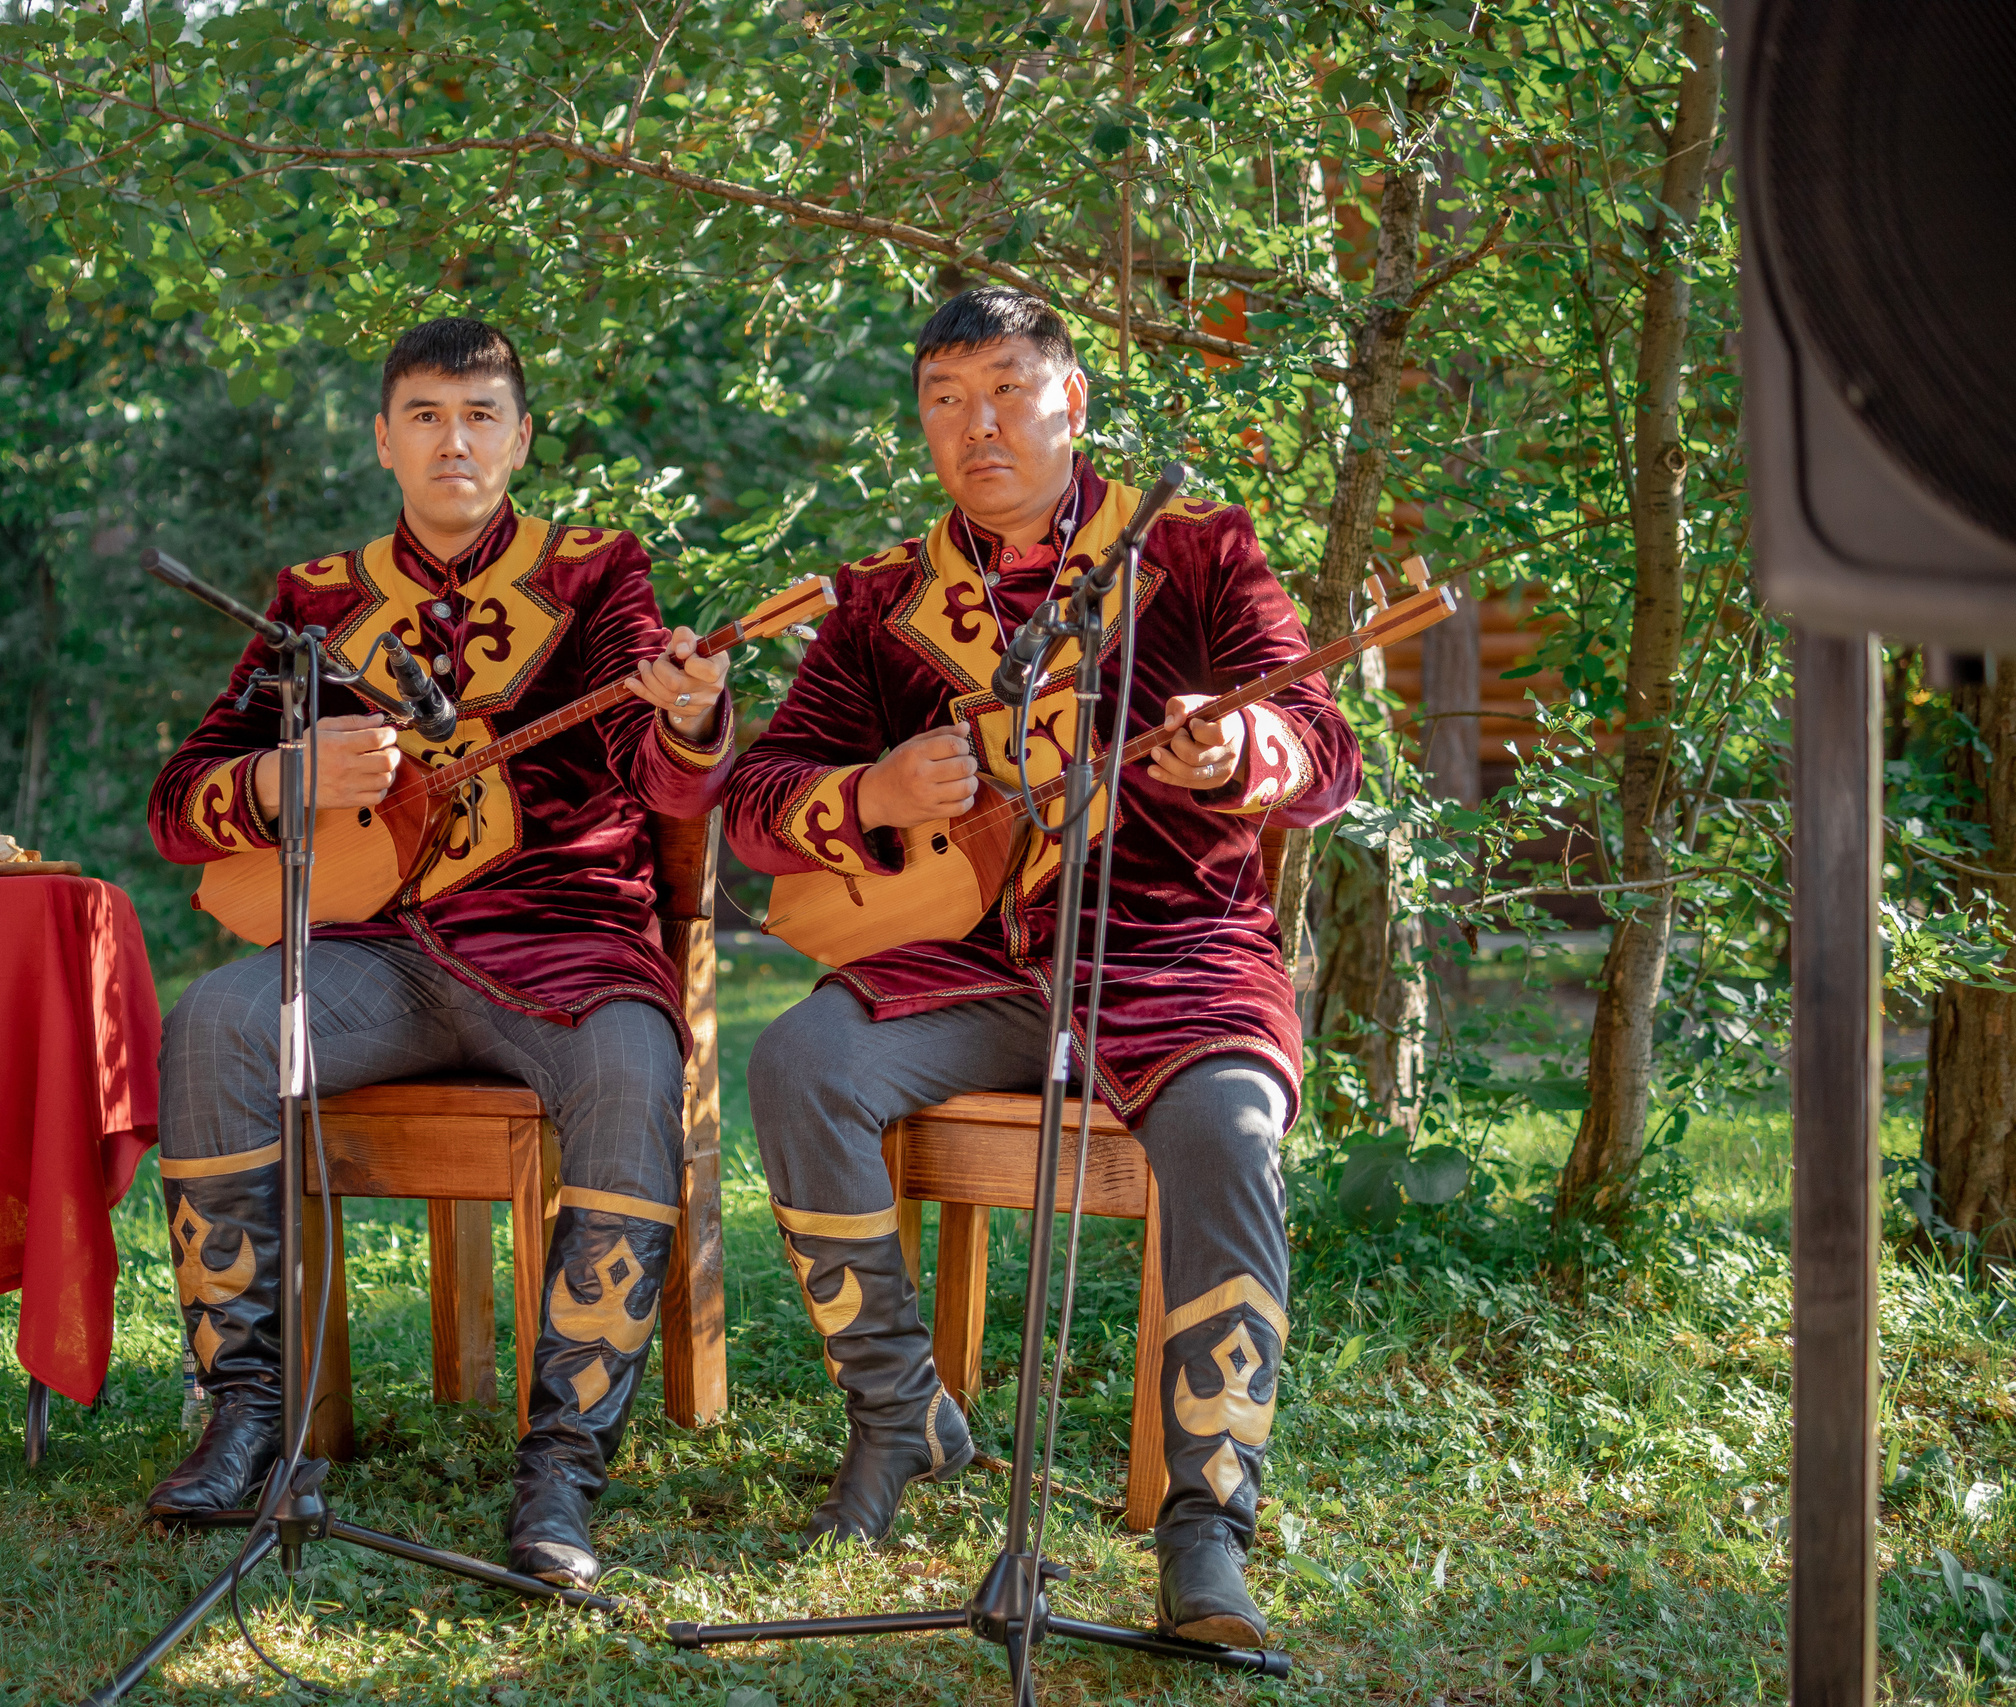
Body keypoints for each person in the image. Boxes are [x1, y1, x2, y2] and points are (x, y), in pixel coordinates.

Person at [722, 288, 1362, 1644]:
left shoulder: (1191, 551)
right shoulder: (889, 601)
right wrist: (877, 791)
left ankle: (1207, 1522)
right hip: (973, 967)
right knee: (801, 1060)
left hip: (1174, 954)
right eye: (946, 399)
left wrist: (1240, 751)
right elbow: (755, 797)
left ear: (1075, 399)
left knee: (1230, 1126)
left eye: (1010, 388)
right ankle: (902, 1414)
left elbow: (1324, 743)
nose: (980, 425)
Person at [145, 316, 733, 1589]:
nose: (452, 440)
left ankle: (562, 1472)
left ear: (520, 436)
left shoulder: (595, 576)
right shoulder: (316, 598)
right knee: (214, 1023)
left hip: (569, 949)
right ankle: (246, 1416)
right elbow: (179, 797)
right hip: (382, 958)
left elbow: (666, 780)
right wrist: (286, 772)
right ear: (382, 440)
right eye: (424, 416)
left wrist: (692, 717)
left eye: (479, 416)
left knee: (635, 1078)